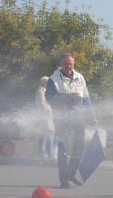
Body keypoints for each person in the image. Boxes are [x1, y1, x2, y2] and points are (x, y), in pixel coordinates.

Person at [46, 54, 97, 188]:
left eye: (71, 64)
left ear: (73, 64)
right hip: (62, 118)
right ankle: (64, 180)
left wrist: (92, 115)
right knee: (63, 148)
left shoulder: (80, 77)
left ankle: (71, 173)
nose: (69, 66)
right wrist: (67, 98)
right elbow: (49, 98)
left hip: (78, 117)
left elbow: (86, 98)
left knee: (80, 145)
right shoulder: (53, 79)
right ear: (61, 64)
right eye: (66, 64)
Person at [35, 76, 56, 158]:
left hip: (48, 116)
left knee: (50, 133)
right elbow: (42, 104)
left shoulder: (45, 91)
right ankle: (43, 153)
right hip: (44, 116)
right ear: (44, 83)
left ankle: (50, 153)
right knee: (45, 133)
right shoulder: (40, 92)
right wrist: (51, 110)